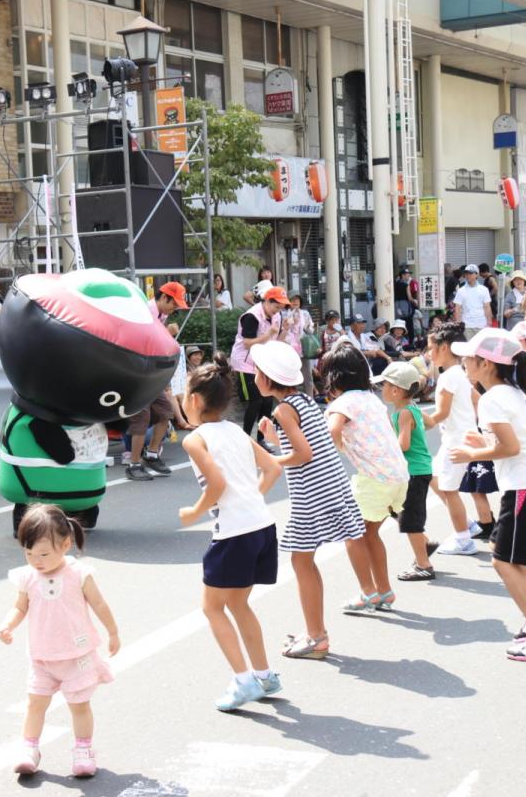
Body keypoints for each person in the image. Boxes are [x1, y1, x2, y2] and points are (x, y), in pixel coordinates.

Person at [447, 329, 526, 661]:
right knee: (512, 559)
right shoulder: (511, 393)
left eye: (468, 359)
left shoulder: (492, 398)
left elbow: (511, 447)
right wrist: (482, 446)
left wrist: (471, 455)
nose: (464, 364)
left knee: (503, 561)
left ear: (485, 363)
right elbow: (513, 444)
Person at [178, 353, 284, 711]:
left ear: (194, 401)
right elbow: (271, 468)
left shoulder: (195, 440)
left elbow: (217, 484)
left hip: (234, 533)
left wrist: (195, 511)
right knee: (239, 604)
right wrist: (251, 497)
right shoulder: (236, 431)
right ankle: (266, 675)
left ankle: (243, 681)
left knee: (212, 608)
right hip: (261, 526)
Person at [252, 342, 364, 660]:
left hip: (313, 491)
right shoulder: (300, 401)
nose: (253, 376)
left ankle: (317, 637)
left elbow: (303, 454)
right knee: (304, 560)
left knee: (301, 561)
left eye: (257, 372)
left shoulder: (283, 409)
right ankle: (316, 633)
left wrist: (267, 458)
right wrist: (275, 441)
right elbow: (304, 444)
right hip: (328, 484)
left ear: (267, 377)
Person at [0, 504, 119, 778]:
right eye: (29, 553)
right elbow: (20, 607)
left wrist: (113, 632)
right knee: (35, 703)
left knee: (79, 706)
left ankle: (83, 750)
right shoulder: (28, 576)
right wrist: (8, 625)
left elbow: (99, 604)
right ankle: (29, 747)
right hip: (42, 657)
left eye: (43, 553)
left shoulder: (78, 574)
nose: (36, 560)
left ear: (65, 544)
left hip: (77, 656)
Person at [322, 344, 409, 614]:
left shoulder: (343, 403)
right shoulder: (371, 398)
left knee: (352, 534)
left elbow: (332, 430)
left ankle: (368, 592)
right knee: (370, 534)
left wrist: (336, 450)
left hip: (373, 478)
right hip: (397, 476)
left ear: (333, 378)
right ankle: (384, 590)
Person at [423, 321, 487, 553]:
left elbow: (441, 413)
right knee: (432, 476)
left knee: (449, 490)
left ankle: (463, 539)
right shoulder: (459, 373)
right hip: (460, 436)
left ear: (444, 347)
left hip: (456, 440)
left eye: (431, 348)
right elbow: (477, 399)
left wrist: (413, 421)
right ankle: (468, 525)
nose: (429, 353)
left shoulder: (448, 376)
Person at [125, 283, 193, 481]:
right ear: (164, 298)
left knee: (165, 411)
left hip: (151, 372)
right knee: (141, 417)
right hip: (135, 372)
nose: (175, 309)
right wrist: (166, 334)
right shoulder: (145, 312)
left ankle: (152, 454)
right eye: (174, 304)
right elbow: (143, 341)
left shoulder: (161, 315)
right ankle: (134, 465)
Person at [376, 361, 436, 582]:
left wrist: (382, 444)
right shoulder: (411, 409)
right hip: (418, 470)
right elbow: (430, 423)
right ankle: (425, 544)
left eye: (384, 385)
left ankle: (424, 565)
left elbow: (403, 445)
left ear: (396, 390)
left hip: (413, 471)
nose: (381, 389)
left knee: (409, 519)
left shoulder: (403, 413)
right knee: (397, 510)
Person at [230, 285, 291, 440]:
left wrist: (284, 331)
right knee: (256, 400)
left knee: (267, 400)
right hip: (245, 362)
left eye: (280, 308)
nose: (277, 311)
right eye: (276, 306)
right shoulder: (251, 316)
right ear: (267, 301)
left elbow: (276, 341)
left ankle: (261, 439)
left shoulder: (277, 316)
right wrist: (268, 334)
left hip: (263, 362)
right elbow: (247, 343)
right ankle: (245, 439)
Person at [284, 293, 317, 396]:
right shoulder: (283, 314)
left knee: (307, 375)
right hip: (289, 349)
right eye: (292, 299)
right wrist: (291, 322)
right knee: (290, 375)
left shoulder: (305, 313)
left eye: (297, 299)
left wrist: (308, 327)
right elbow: (283, 330)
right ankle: (291, 398)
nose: (295, 302)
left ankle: (310, 399)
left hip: (304, 348)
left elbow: (310, 330)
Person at [452, 264, 493, 338]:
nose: (468, 275)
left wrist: (489, 322)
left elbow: (487, 307)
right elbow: (457, 308)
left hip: (482, 324)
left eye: (471, 273)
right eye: (466, 273)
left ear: (477, 275)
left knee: (481, 348)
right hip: (467, 325)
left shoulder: (484, 289)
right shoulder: (461, 290)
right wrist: (458, 323)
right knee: (468, 348)